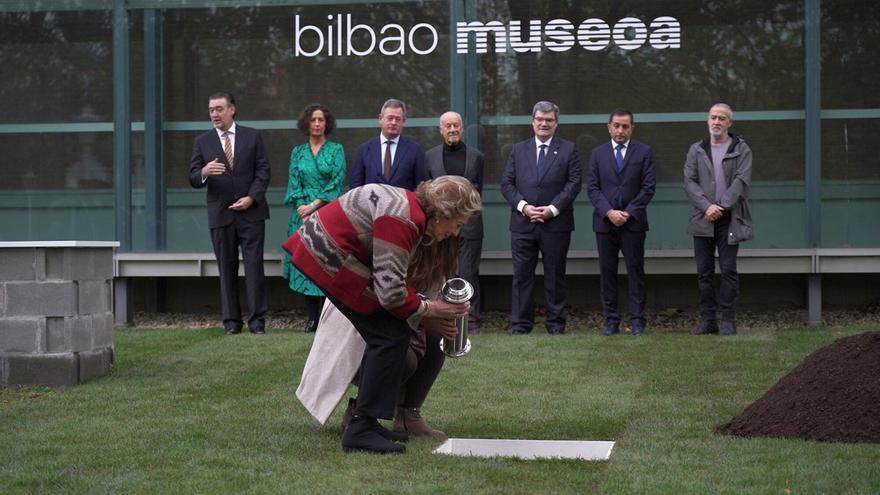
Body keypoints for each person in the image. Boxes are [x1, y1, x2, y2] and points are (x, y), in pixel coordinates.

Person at [284, 176, 481, 454]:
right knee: (389, 335)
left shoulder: (410, 211)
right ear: (441, 214)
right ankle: (360, 428)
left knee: (391, 332)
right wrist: (431, 309)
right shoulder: (404, 220)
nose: (456, 232)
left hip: (326, 249)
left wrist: (425, 309)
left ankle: (367, 422)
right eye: (458, 224)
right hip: (325, 254)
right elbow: (390, 293)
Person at [189, 92, 270, 335]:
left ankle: (257, 323)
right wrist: (204, 171)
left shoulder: (252, 136)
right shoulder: (202, 142)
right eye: (211, 110)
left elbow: (263, 172)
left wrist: (251, 198)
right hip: (221, 214)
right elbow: (193, 178)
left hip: (251, 213)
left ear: (232, 109)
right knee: (226, 269)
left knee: (254, 268)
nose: (214, 114)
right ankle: (232, 323)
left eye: (219, 109)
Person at [500, 101, 581, 335]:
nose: (544, 124)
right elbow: (507, 183)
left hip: (555, 223)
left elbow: (574, 183)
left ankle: (556, 325)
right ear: (532, 121)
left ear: (556, 123)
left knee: (555, 275)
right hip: (523, 223)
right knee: (521, 276)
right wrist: (524, 207)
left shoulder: (569, 149)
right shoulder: (518, 149)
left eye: (549, 120)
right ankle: (521, 325)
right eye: (540, 120)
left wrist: (552, 209)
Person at [683, 103, 753, 336]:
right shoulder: (696, 149)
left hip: (729, 218)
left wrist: (720, 206)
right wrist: (707, 206)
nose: (717, 122)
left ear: (729, 123)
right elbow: (689, 182)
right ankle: (707, 320)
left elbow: (741, 182)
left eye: (722, 118)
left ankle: (728, 320)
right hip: (702, 217)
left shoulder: (741, 149)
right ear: (707, 120)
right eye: (713, 117)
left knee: (728, 269)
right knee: (704, 272)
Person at [586, 108, 657, 336]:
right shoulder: (597, 154)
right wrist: (609, 212)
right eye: (616, 125)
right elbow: (593, 188)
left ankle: (637, 320)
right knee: (607, 273)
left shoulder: (644, 152)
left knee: (636, 272)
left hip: (633, 223)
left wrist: (627, 213)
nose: (620, 130)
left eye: (625, 126)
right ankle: (611, 321)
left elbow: (648, 187)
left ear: (632, 128)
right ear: (609, 127)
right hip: (605, 224)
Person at [282, 103, 346, 333]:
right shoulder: (297, 152)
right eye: (313, 120)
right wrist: (301, 206)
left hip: (327, 213)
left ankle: (326, 318)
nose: (317, 124)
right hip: (301, 216)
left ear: (327, 124)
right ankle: (311, 319)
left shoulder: (336, 150)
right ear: (306, 124)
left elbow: (336, 182)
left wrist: (313, 206)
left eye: (321, 120)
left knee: (325, 264)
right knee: (305, 266)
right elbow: (293, 183)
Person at [425, 111, 485, 331]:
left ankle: (472, 320)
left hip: (470, 226)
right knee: (441, 270)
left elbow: (479, 194)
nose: (452, 129)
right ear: (441, 130)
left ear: (462, 128)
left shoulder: (476, 157)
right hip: (439, 225)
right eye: (447, 126)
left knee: (469, 271)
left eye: (456, 125)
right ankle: (443, 316)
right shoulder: (429, 157)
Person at [349, 98, 426, 190]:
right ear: (380, 119)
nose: (393, 122)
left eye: (398, 119)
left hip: (403, 203)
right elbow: (356, 186)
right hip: (371, 203)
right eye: (390, 118)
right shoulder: (365, 149)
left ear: (403, 122)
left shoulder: (414, 150)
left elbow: (420, 188)